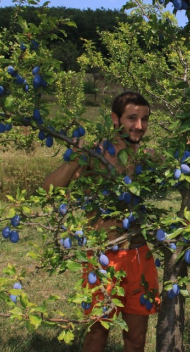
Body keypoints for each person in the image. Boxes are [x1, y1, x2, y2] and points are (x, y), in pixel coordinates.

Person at [43, 92, 160, 352]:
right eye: (132, 118)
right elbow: (49, 189)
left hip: (140, 256)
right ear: (114, 118)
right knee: (96, 336)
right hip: (103, 258)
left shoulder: (147, 158)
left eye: (144, 119)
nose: (139, 126)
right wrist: (75, 156)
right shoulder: (94, 156)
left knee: (137, 338)